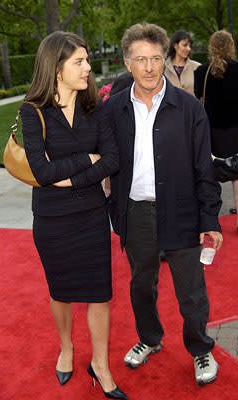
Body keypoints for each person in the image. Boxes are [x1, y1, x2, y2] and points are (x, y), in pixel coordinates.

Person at [105, 22, 223, 386]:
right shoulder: (114, 110)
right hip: (136, 213)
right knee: (141, 285)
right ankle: (149, 338)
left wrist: (210, 219)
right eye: (141, 59)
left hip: (183, 212)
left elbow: (204, 167)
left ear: (164, 58)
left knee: (191, 290)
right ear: (128, 64)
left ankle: (200, 348)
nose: (150, 66)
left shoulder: (188, 108)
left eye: (156, 58)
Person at [21, 31, 128, 400]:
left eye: (86, 60)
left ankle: (100, 364)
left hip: (91, 217)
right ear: (56, 67)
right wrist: (87, 160)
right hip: (52, 222)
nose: (87, 68)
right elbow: (41, 171)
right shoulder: (32, 111)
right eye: (79, 61)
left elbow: (113, 160)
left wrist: (68, 174)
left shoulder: (95, 109)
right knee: (61, 291)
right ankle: (66, 348)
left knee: (100, 294)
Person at [194, 30, 238, 227]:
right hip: (235, 129)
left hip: (212, 132)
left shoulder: (201, 72)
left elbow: (199, 101)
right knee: (237, 176)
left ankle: (211, 222)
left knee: (210, 175)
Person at [164, 29, 200, 95]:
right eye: (185, 45)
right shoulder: (163, 68)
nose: (188, 49)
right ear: (175, 46)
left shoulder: (197, 67)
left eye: (190, 46)